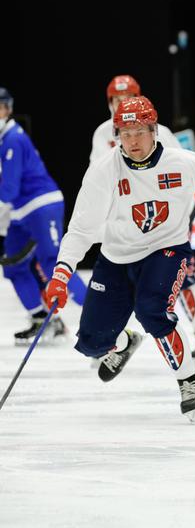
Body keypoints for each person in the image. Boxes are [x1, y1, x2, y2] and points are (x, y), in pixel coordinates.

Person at [44, 96, 195, 422]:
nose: (133, 141)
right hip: (115, 257)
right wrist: (61, 273)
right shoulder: (103, 171)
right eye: (125, 134)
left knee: (152, 309)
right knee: (91, 343)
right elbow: (82, 229)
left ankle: (190, 383)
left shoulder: (183, 162)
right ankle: (125, 341)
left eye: (139, 131)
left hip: (166, 248)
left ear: (154, 130)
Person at [92, 75, 195, 367]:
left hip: (171, 212)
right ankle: (113, 339)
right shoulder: (103, 133)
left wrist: (179, 219)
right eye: (115, 99)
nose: (120, 104)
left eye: (126, 98)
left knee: (182, 276)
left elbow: (184, 174)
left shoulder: (159, 131)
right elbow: (99, 180)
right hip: (132, 221)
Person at [0, 87, 88, 344]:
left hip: (40, 204)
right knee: (13, 265)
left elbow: (8, 189)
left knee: (53, 262)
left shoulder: (13, 139)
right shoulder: (3, 140)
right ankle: (43, 320)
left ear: (8, 109)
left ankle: (97, 313)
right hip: (19, 210)